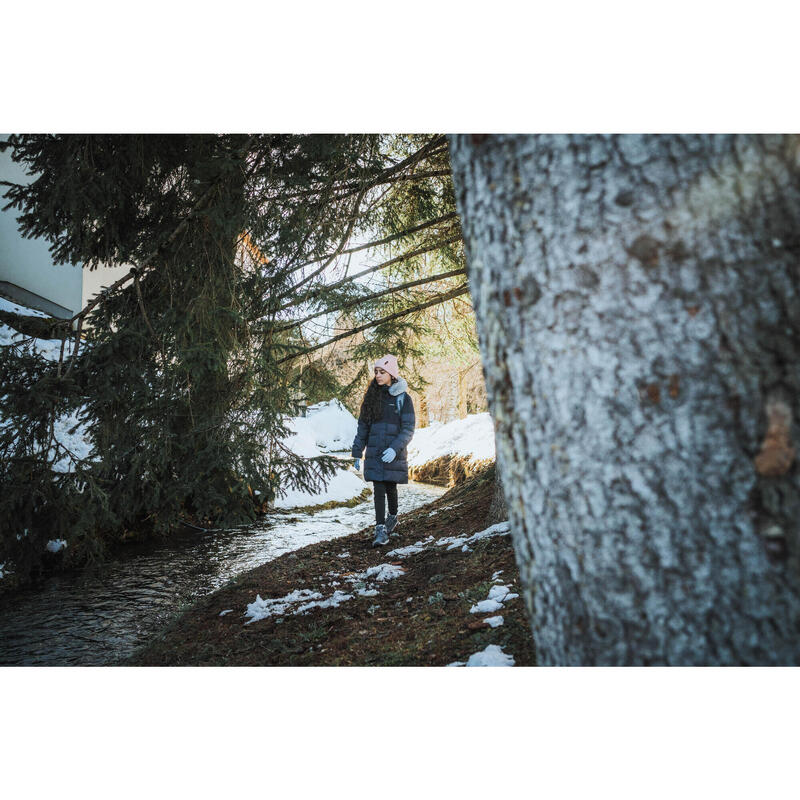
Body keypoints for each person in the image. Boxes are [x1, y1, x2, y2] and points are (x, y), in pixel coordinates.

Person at [351, 354, 416, 547]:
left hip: (392, 451)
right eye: (376, 372)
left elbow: (408, 428)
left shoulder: (403, 398)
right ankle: (380, 529)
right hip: (374, 451)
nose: (378, 376)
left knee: (390, 486)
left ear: (392, 374)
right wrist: (357, 451)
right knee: (378, 488)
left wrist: (395, 449)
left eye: (382, 372)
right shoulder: (371, 397)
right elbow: (363, 426)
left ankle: (393, 516)